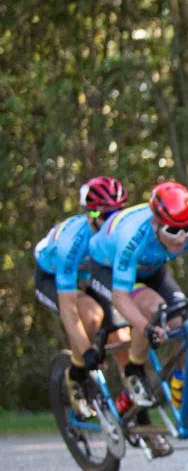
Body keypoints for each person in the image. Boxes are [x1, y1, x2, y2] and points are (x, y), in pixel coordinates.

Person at [88, 181, 188, 457]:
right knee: (154, 309)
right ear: (156, 225)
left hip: (152, 266)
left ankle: (182, 386)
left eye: (186, 230)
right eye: (173, 230)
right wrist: (146, 327)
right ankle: (134, 370)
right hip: (108, 268)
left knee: (180, 313)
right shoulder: (133, 236)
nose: (181, 238)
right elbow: (121, 299)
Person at [33, 177, 129, 418]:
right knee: (90, 314)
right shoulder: (72, 242)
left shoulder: (122, 233)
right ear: (91, 215)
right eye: (106, 215)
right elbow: (68, 308)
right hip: (52, 277)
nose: (113, 221)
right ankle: (76, 375)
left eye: (118, 213)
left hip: (89, 276)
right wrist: (87, 352)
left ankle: (137, 414)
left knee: (122, 337)